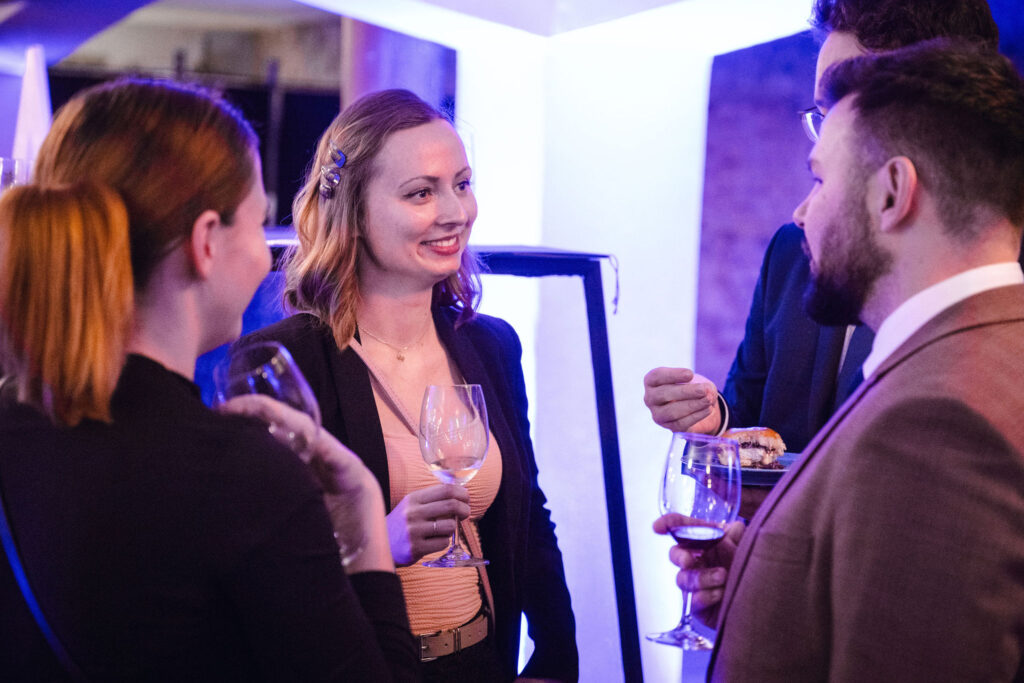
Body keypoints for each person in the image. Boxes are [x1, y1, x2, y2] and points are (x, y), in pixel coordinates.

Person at [0, 79, 418, 680]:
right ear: (205, 244)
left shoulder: (16, 425)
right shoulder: (243, 477)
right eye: (257, 223)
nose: (266, 253)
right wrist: (364, 522)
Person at [660, 40, 1024, 680]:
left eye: (820, 179)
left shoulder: (936, 421)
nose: (802, 212)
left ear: (893, 192)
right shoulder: (979, 354)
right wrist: (765, 580)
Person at [237, 89, 578, 682]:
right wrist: (378, 542)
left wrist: (554, 657)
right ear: (353, 212)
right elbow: (260, 570)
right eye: (421, 192)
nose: (456, 212)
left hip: (481, 663)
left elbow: (528, 512)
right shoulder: (286, 361)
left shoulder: (491, 345)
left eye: (462, 184)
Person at [643, 0, 1002, 453]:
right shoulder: (794, 252)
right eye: (823, 109)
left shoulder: (995, 280)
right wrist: (717, 422)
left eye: (847, 105)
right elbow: (754, 424)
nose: (828, 133)